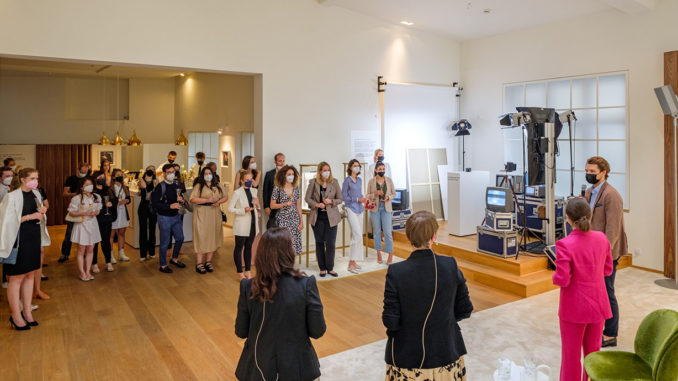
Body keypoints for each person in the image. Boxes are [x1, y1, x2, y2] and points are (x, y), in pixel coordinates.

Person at [383, 211, 473, 380]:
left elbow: (390, 321)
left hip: (406, 359)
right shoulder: (450, 265)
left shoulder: (396, 272)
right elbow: (465, 310)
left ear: (409, 236)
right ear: (433, 236)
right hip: (446, 354)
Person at [235, 228, 325, 380]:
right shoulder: (306, 285)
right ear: (288, 252)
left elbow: (241, 331)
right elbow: (318, 331)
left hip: (257, 368)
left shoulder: (247, 287)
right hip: (298, 368)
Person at [553, 197, 614, 381]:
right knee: (593, 355)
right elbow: (607, 269)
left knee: (571, 356)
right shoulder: (602, 239)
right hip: (598, 304)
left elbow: (562, 280)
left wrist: (554, 274)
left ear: (567, 218)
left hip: (574, 308)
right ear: (590, 215)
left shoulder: (565, 244)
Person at [584, 156, 627, 348]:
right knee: (593, 291)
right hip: (591, 251)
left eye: (593, 172)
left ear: (604, 173)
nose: (589, 174)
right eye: (587, 171)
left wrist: (604, 256)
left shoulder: (612, 195)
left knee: (607, 291)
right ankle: (595, 324)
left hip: (607, 253)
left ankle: (611, 334)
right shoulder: (588, 191)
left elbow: (613, 230)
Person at [0, 168, 50, 330]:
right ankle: (16, 315)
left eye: (37, 178)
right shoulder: (11, 196)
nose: (35, 181)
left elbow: (38, 214)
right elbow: (6, 221)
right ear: (22, 179)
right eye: (32, 178)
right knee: (16, 279)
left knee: (30, 275)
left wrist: (41, 213)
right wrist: (30, 217)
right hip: (18, 241)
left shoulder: (35, 194)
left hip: (33, 238)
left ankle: (27, 311)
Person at [305, 162, 342, 277]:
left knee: (331, 243)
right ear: (320, 171)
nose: (327, 172)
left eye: (328, 170)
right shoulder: (313, 182)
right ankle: (322, 268)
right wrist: (316, 204)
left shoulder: (334, 182)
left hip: (332, 217)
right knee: (320, 242)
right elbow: (307, 198)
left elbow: (340, 199)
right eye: (324, 170)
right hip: (318, 217)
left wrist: (331, 201)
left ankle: (330, 267)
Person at [190, 166, 228, 274]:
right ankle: (199, 263)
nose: (208, 175)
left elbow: (225, 196)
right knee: (201, 237)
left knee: (213, 236)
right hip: (202, 212)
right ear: (202, 175)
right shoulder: (198, 186)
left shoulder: (217, 185)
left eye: (209, 173)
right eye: (206, 173)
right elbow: (193, 199)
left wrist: (219, 202)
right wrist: (206, 199)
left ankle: (208, 261)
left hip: (214, 213)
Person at [151, 164, 186, 273]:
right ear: (164, 174)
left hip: (176, 216)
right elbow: (155, 204)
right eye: (169, 172)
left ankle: (174, 259)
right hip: (164, 218)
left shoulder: (176, 184)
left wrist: (182, 200)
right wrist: (169, 206)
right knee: (165, 242)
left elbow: (179, 197)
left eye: (173, 172)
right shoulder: (160, 187)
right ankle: (163, 265)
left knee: (180, 238)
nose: (171, 174)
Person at [67, 177, 102, 281]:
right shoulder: (77, 198)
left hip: (93, 224)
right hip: (81, 224)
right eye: (86, 185)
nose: (89, 186)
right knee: (81, 249)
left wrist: (95, 213)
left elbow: (98, 210)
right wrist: (82, 213)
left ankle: (88, 271)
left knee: (91, 248)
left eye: (90, 184)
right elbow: (71, 212)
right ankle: (82, 272)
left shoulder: (96, 197)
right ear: (82, 187)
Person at [228, 170, 260, 279]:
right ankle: (239, 272)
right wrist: (243, 210)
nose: (249, 182)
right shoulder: (237, 192)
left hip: (253, 224)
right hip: (241, 225)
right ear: (242, 180)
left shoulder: (254, 191)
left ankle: (248, 270)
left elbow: (257, 208)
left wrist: (258, 204)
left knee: (249, 247)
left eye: (250, 180)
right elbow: (230, 209)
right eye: (247, 180)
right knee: (239, 247)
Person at [59, 162, 90, 263]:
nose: (85, 171)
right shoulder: (71, 179)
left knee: (85, 231)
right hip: (75, 208)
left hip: (86, 209)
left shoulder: (89, 179)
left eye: (87, 169)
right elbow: (64, 193)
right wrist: (75, 194)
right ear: (79, 169)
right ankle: (65, 254)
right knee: (69, 232)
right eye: (83, 169)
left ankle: (85, 252)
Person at [367, 161, 397, 265]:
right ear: (375, 170)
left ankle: (390, 255)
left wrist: (388, 197)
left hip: (386, 208)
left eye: (383, 169)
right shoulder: (371, 181)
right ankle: (378, 253)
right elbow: (367, 195)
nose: (382, 171)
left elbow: (394, 194)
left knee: (388, 232)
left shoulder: (389, 180)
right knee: (376, 232)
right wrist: (375, 193)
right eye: (380, 169)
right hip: (375, 208)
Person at [270, 165, 303, 255]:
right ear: (284, 175)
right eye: (289, 174)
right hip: (283, 219)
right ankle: (283, 266)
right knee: (284, 244)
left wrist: (301, 221)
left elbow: (298, 206)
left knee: (293, 245)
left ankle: (290, 266)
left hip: (294, 219)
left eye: (292, 174)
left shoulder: (296, 188)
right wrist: (284, 204)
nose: (291, 176)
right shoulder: (277, 188)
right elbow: (272, 205)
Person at [342, 159, 367, 273]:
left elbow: (360, 194)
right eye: (355, 166)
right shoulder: (347, 181)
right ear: (350, 167)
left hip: (360, 209)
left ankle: (354, 261)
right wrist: (357, 199)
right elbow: (344, 197)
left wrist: (364, 199)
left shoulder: (360, 180)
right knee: (357, 235)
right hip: (350, 208)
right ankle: (351, 262)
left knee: (358, 236)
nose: (357, 168)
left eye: (358, 166)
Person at [91, 171, 116, 273]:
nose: (102, 178)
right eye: (100, 177)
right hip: (95, 219)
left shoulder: (108, 189)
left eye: (103, 177)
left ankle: (108, 262)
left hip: (106, 218)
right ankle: (94, 263)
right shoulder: (92, 190)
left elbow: (115, 200)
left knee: (106, 241)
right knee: (95, 242)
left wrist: (111, 203)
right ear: (95, 179)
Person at [110, 169, 131, 262]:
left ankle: (121, 254)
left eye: (121, 175)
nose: (120, 176)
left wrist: (126, 200)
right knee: (111, 235)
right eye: (118, 175)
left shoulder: (125, 187)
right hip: (113, 213)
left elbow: (128, 198)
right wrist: (118, 202)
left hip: (123, 213)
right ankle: (110, 256)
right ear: (114, 177)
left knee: (121, 233)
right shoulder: (110, 188)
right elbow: (109, 200)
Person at [137, 166, 157, 261]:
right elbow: (144, 187)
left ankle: (152, 251)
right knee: (143, 230)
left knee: (152, 229)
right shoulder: (141, 179)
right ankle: (143, 254)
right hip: (143, 206)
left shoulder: (156, 181)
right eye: (149, 169)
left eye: (153, 169)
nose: (151, 171)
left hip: (153, 207)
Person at [263, 153, 285, 229]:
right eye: (280, 161)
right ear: (275, 162)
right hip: (273, 206)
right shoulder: (269, 174)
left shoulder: (288, 174)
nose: (282, 163)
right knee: (272, 228)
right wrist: (266, 206)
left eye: (283, 161)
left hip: (285, 206)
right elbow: (265, 191)